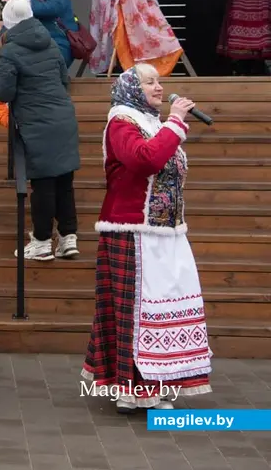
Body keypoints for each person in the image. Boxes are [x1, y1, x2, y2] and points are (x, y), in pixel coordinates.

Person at [82, 65, 212, 412]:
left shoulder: (151, 122)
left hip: (165, 231)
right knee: (137, 311)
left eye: (159, 81)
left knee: (161, 307)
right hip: (133, 230)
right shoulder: (122, 122)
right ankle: (134, 389)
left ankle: (157, 381)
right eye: (150, 81)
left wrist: (169, 124)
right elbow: (145, 161)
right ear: (132, 89)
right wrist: (175, 122)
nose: (159, 87)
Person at [0, 0, 81, 261]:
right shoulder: (52, 42)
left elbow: (5, 92)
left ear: (8, 22)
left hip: (37, 122)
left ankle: (42, 242)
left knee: (42, 184)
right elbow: (63, 79)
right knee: (64, 181)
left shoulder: (10, 50)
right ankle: (68, 239)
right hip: (64, 117)